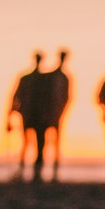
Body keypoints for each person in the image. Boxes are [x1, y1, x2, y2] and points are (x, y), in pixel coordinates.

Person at [6, 52, 51, 179]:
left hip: (39, 115)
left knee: (38, 143)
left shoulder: (42, 79)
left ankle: (36, 172)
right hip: (30, 114)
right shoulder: (28, 79)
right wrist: (9, 117)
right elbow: (15, 97)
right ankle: (25, 171)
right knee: (28, 143)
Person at [43, 49, 72, 182]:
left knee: (55, 142)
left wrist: (61, 111)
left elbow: (67, 97)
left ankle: (54, 172)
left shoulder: (64, 77)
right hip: (48, 113)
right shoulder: (52, 76)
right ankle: (41, 171)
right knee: (43, 142)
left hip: (57, 113)